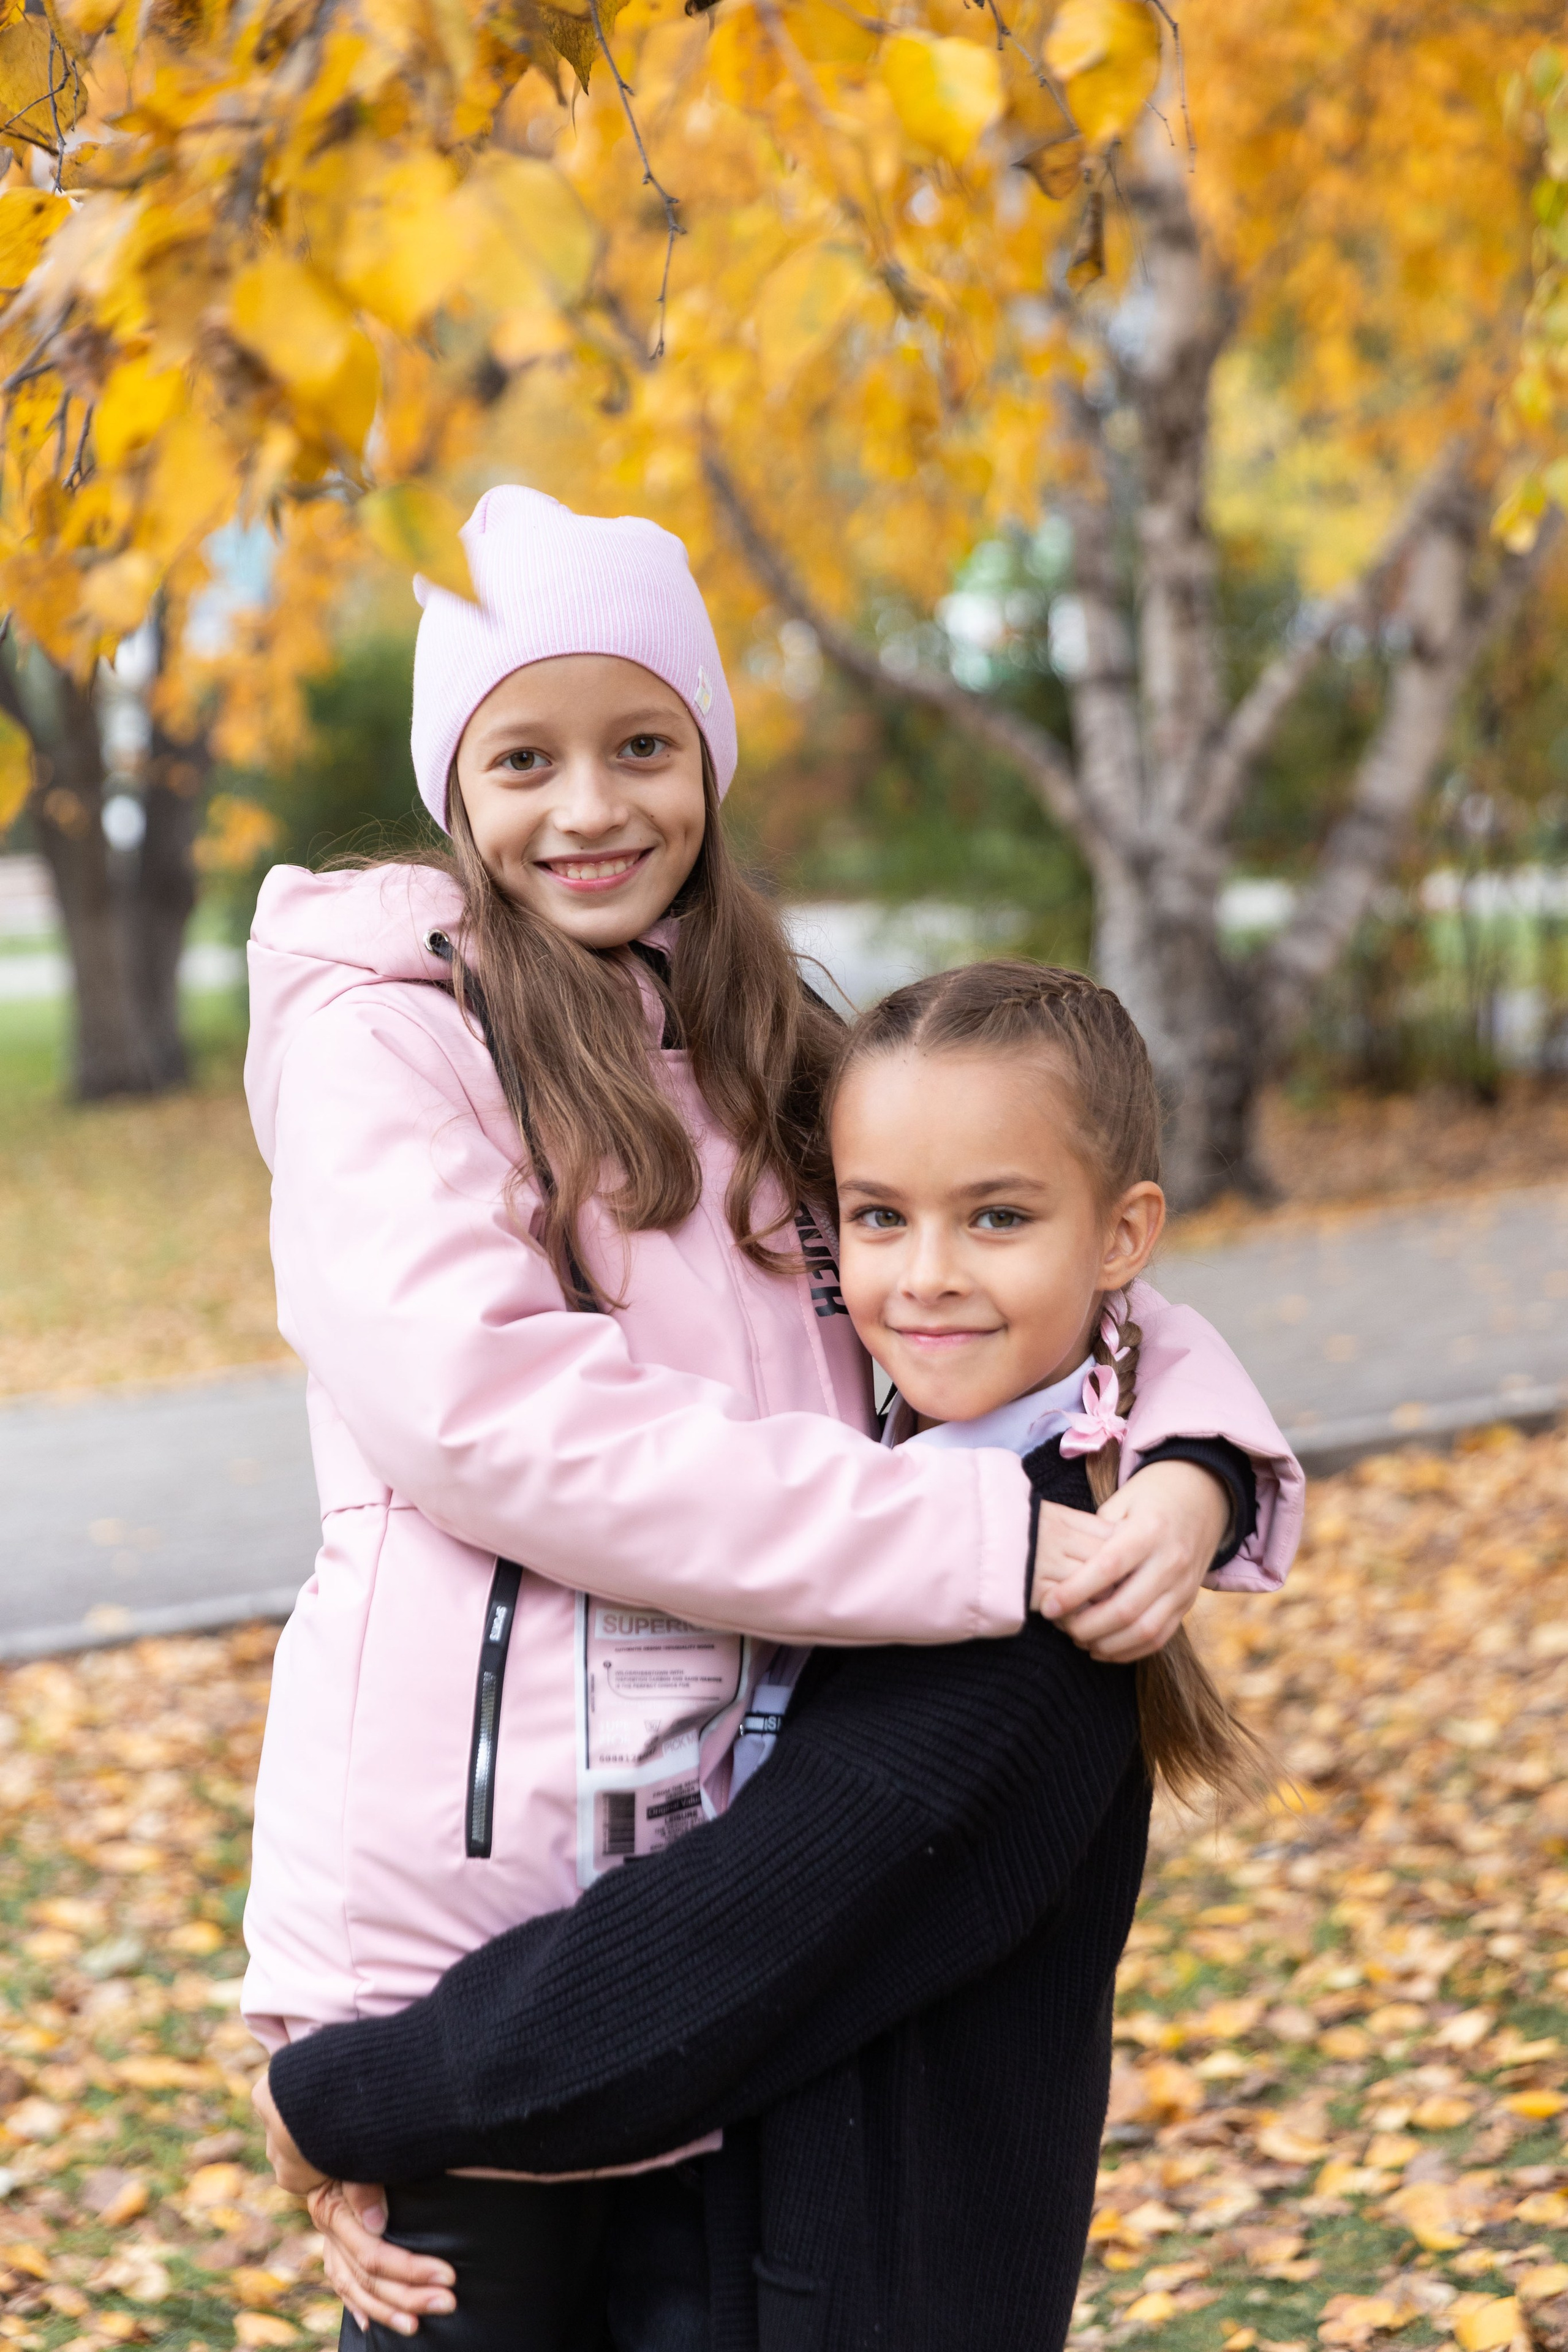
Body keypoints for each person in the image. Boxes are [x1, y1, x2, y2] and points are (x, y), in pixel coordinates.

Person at [239, 485, 1303, 2346]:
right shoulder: (390, 1037)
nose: (591, 809)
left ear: (710, 762)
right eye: (527, 758)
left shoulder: (761, 1037)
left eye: (644, 744)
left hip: (706, 1883)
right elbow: (487, 1418)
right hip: (478, 1897)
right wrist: (987, 1539)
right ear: (452, 788)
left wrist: (1198, 1464)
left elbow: (1019, 1258)